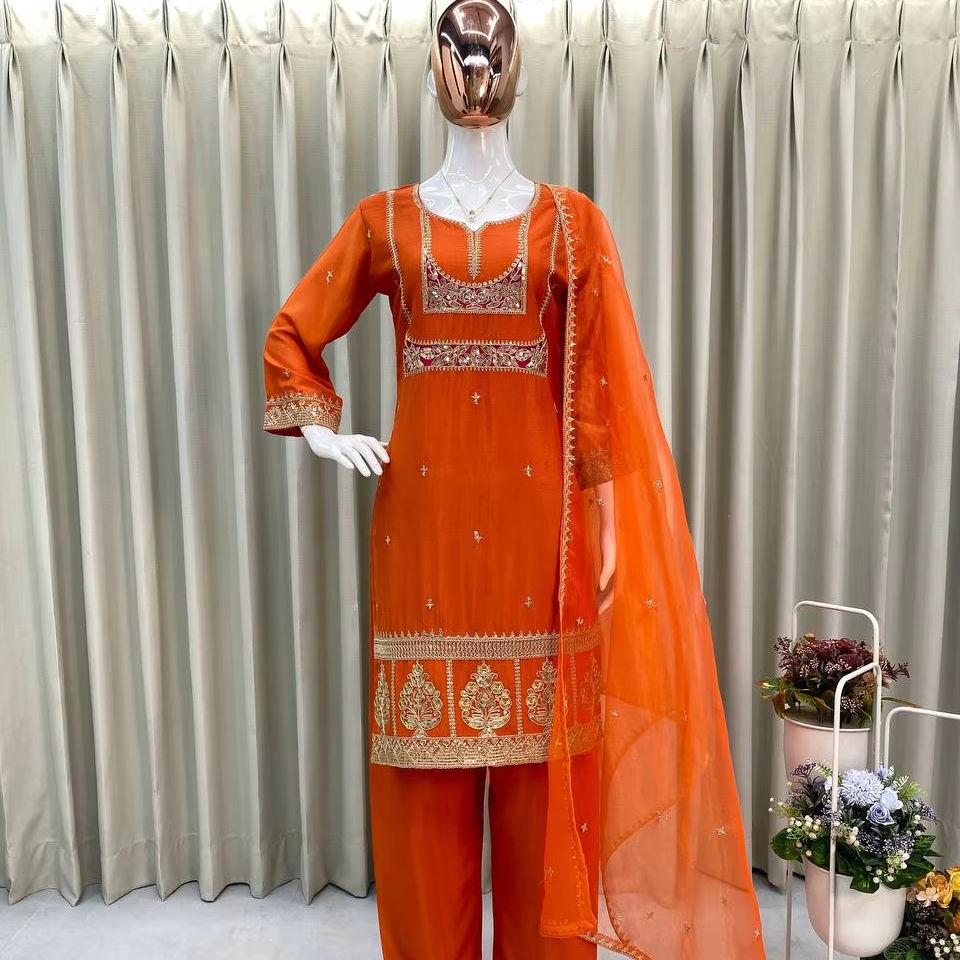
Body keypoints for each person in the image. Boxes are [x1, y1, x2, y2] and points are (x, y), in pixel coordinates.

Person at [262, 3, 767, 958]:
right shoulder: (384, 221)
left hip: (545, 536)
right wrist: (323, 433)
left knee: (545, 798)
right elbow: (294, 332)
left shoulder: (570, 223)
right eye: (458, 55)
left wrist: (609, 520)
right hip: (425, 536)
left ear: (519, 69)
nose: (475, 73)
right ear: (433, 70)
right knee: (422, 800)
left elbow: (599, 389)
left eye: (492, 54)